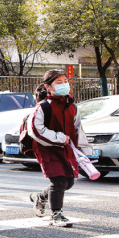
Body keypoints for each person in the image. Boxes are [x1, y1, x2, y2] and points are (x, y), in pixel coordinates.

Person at [27, 70, 91, 227]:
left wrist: (84, 150)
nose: (64, 85)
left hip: (66, 149)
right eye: (59, 82)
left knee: (68, 182)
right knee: (59, 181)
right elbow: (35, 130)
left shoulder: (72, 107)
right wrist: (59, 138)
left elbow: (77, 129)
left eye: (66, 81)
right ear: (49, 87)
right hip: (47, 149)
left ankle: (40, 197)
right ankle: (56, 215)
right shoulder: (43, 107)